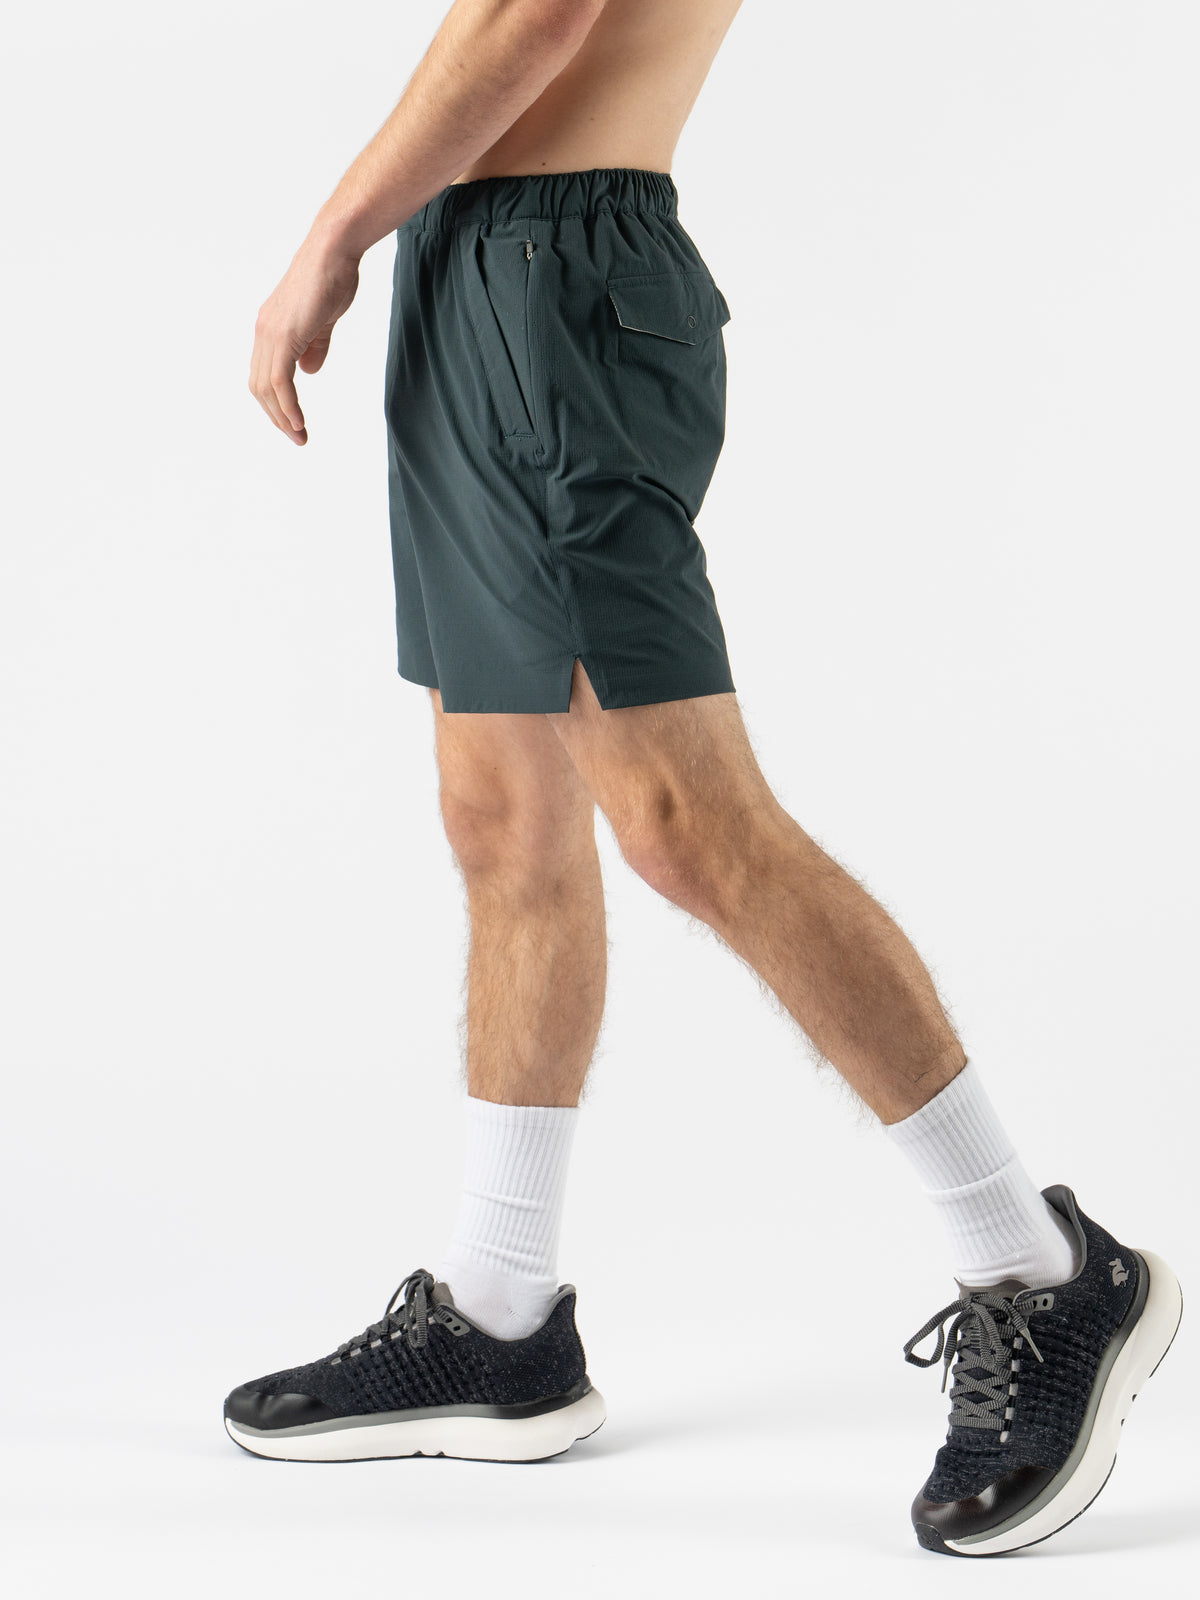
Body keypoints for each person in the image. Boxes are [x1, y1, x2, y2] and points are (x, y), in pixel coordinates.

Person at [227, 0, 1182, 1555]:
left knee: (686, 825)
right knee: (502, 822)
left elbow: (537, 16)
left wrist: (332, 235)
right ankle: (499, 1318)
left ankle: (1046, 1270)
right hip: (472, 267)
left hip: (556, 278)